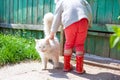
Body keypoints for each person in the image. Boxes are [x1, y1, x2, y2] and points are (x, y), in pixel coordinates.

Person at [48, 0, 92, 74]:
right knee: (80, 44)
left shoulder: (61, 1)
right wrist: (89, 22)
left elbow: (56, 18)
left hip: (69, 22)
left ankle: (66, 66)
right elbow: (89, 11)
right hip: (83, 20)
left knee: (69, 43)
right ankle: (79, 68)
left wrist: (52, 33)